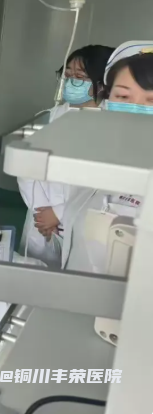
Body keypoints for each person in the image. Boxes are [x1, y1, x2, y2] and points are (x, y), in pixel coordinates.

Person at [17, 45, 113, 268]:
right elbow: (25, 169)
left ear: (101, 84)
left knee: (78, 276)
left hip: (83, 221)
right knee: (34, 276)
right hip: (41, 220)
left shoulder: (113, 125)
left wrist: (60, 213)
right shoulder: (47, 117)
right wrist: (42, 213)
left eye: (79, 77)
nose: (70, 82)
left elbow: (103, 185)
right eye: (67, 75)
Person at [62, 41, 153, 273]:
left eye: (151, 100)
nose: (136, 109)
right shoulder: (99, 157)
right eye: (123, 96)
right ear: (108, 98)